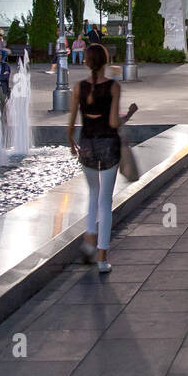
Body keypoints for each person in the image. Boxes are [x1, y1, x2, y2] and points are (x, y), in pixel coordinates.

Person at [67, 43, 136, 274]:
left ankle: (89, 240)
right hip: (108, 145)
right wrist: (130, 115)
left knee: (93, 194)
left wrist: (71, 143)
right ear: (105, 62)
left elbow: (72, 122)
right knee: (105, 201)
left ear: (87, 62)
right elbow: (114, 123)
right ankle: (102, 257)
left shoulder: (79, 87)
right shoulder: (113, 87)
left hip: (86, 145)